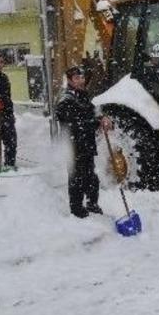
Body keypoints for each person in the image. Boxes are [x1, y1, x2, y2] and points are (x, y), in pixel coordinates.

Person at [55, 66, 112, 218]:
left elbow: (93, 112)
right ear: (69, 80)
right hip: (74, 147)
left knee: (91, 178)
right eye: (77, 78)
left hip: (86, 145)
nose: (81, 81)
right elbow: (76, 123)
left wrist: (103, 118)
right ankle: (77, 210)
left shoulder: (82, 95)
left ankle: (92, 204)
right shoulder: (65, 100)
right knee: (76, 179)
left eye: (82, 77)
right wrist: (96, 123)